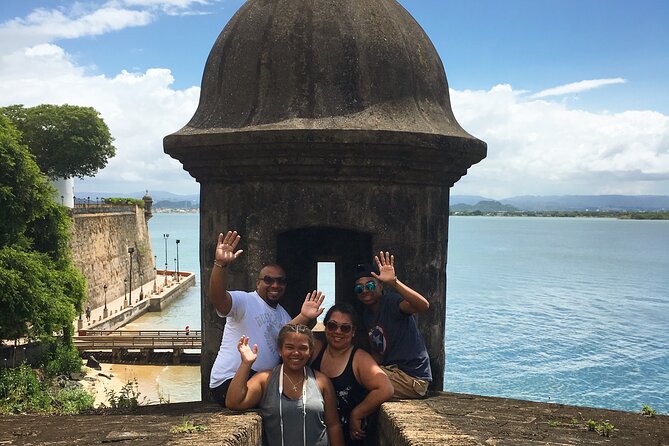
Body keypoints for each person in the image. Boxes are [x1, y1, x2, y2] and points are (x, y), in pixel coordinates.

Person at [209, 230, 326, 407]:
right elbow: (219, 300)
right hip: (231, 379)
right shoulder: (245, 301)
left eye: (281, 281)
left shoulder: (281, 313)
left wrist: (304, 316)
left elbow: (284, 333)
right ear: (258, 283)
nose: (275, 285)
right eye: (268, 280)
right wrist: (220, 265)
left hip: (259, 380)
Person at [226, 324, 345, 446]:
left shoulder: (321, 381)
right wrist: (246, 363)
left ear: (311, 352)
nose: (296, 353)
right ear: (279, 350)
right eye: (289, 347)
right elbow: (234, 402)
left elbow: (333, 425)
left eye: (303, 348)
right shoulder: (266, 380)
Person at [311, 303, 394, 445]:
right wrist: (304, 317)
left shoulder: (359, 359)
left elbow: (386, 388)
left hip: (348, 438)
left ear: (353, 331)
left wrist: (357, 413)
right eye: (332, 326)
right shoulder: (317, 349)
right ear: (325, 327)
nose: (338, 331)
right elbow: (284, 338)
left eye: (345, 328)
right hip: (315, 436)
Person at [354, 251, 432, 399]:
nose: (365, 291)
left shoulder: (391, 303)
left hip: (411, 378)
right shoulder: (367, 314)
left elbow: (423, 306)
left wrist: (394, 283)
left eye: (370, 285)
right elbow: (377, 353)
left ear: (380, 285)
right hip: (392, 372)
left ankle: (355, 419)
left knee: (358, 381)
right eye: (359, 289)